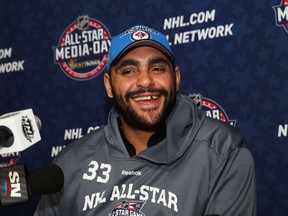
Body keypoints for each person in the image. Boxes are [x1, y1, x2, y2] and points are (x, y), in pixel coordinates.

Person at [34, 25, 257, 216]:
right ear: (109, 85)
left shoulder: (222, 151)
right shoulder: (71, 162)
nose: (145, 81)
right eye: (129, 71)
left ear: (176, 78)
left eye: (157, 68)